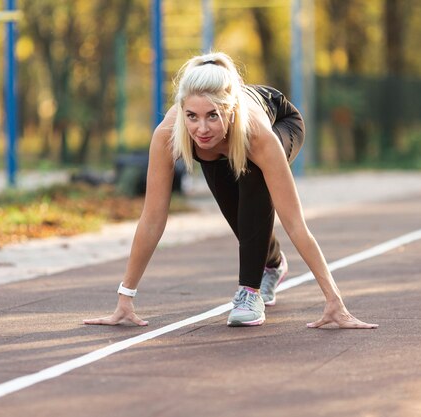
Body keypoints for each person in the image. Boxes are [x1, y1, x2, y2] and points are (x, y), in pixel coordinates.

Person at [84, 51, 378, 329]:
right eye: (192, 116)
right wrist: (126, 295)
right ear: (182, 110)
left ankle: (249, 292)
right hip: (223, 147)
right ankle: (273, 264)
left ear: (230, 110)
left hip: (281, 121)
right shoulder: (167, 135)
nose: (201, 129)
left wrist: (334, 300)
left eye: (213, 115)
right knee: (239, 219)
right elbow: (152, 218)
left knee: (254, 183)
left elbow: (294, 223)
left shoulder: (257, 136)